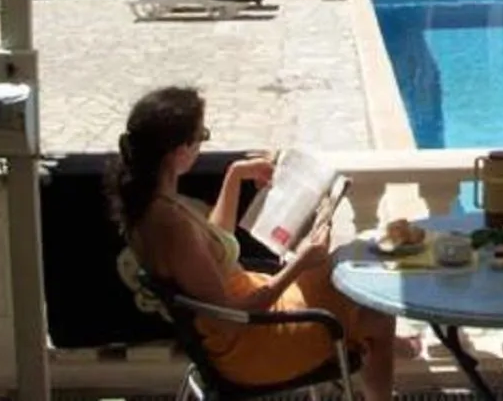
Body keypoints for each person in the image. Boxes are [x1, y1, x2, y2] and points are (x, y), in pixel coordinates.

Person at [107, 86, 412, 400]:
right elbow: (229, 321)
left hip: (251, 313)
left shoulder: (153, 207)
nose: (202, 144)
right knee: (376, 314)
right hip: (250, 343)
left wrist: (235, 176)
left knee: (339, 268)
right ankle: (379, 345)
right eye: (202, 135)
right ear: (179, 150)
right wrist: (300, 263)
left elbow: (213, 247)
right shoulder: (172, 226)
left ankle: (379, 340)